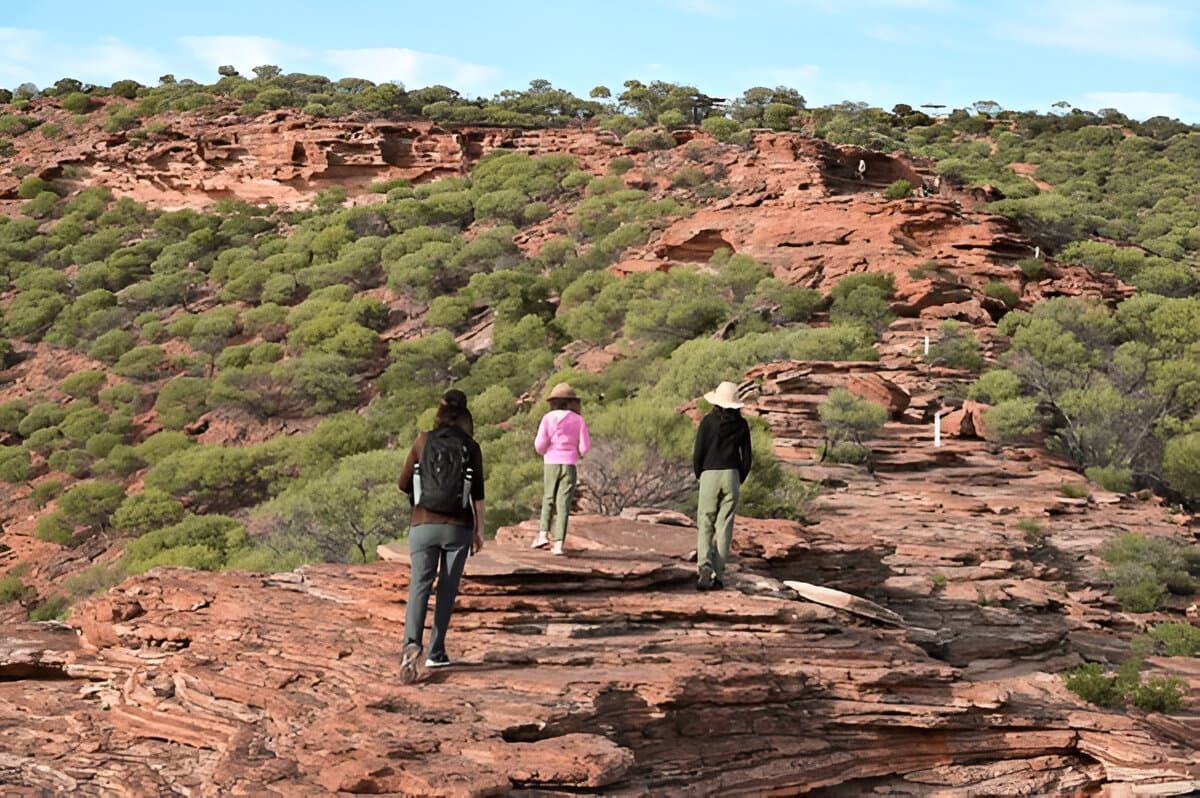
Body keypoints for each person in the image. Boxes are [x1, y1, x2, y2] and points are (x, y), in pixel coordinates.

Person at [397, 389, 485, 684]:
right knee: (446, 589)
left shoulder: (423, 441)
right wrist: (479, 531)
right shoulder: (471, 446)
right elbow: (478, 495)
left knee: (419, 585)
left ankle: (411, 645)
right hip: (458, 527)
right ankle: (436, 651)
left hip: (423, 524)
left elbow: (403, 483)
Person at [692, 381, 752, 591]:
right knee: (724, 525)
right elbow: (747, 457)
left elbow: (699, 451)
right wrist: (739, 477)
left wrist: (699, 474)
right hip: (731, 475)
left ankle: (704, 566)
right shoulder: (742, 424)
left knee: (705, 521)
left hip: (710, 473)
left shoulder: (708, 422)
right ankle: (718, 574)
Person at [532, 382, 591, 556]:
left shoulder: (548, 418)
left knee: (548, 498)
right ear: (571, 401)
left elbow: (540, 444)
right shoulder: (578, 420)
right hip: (570, 464)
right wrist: (577, 454)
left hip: (551, 462)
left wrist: (545, 452)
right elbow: (585, 446)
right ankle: (558, 544)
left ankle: (543, 535)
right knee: (563, 504)